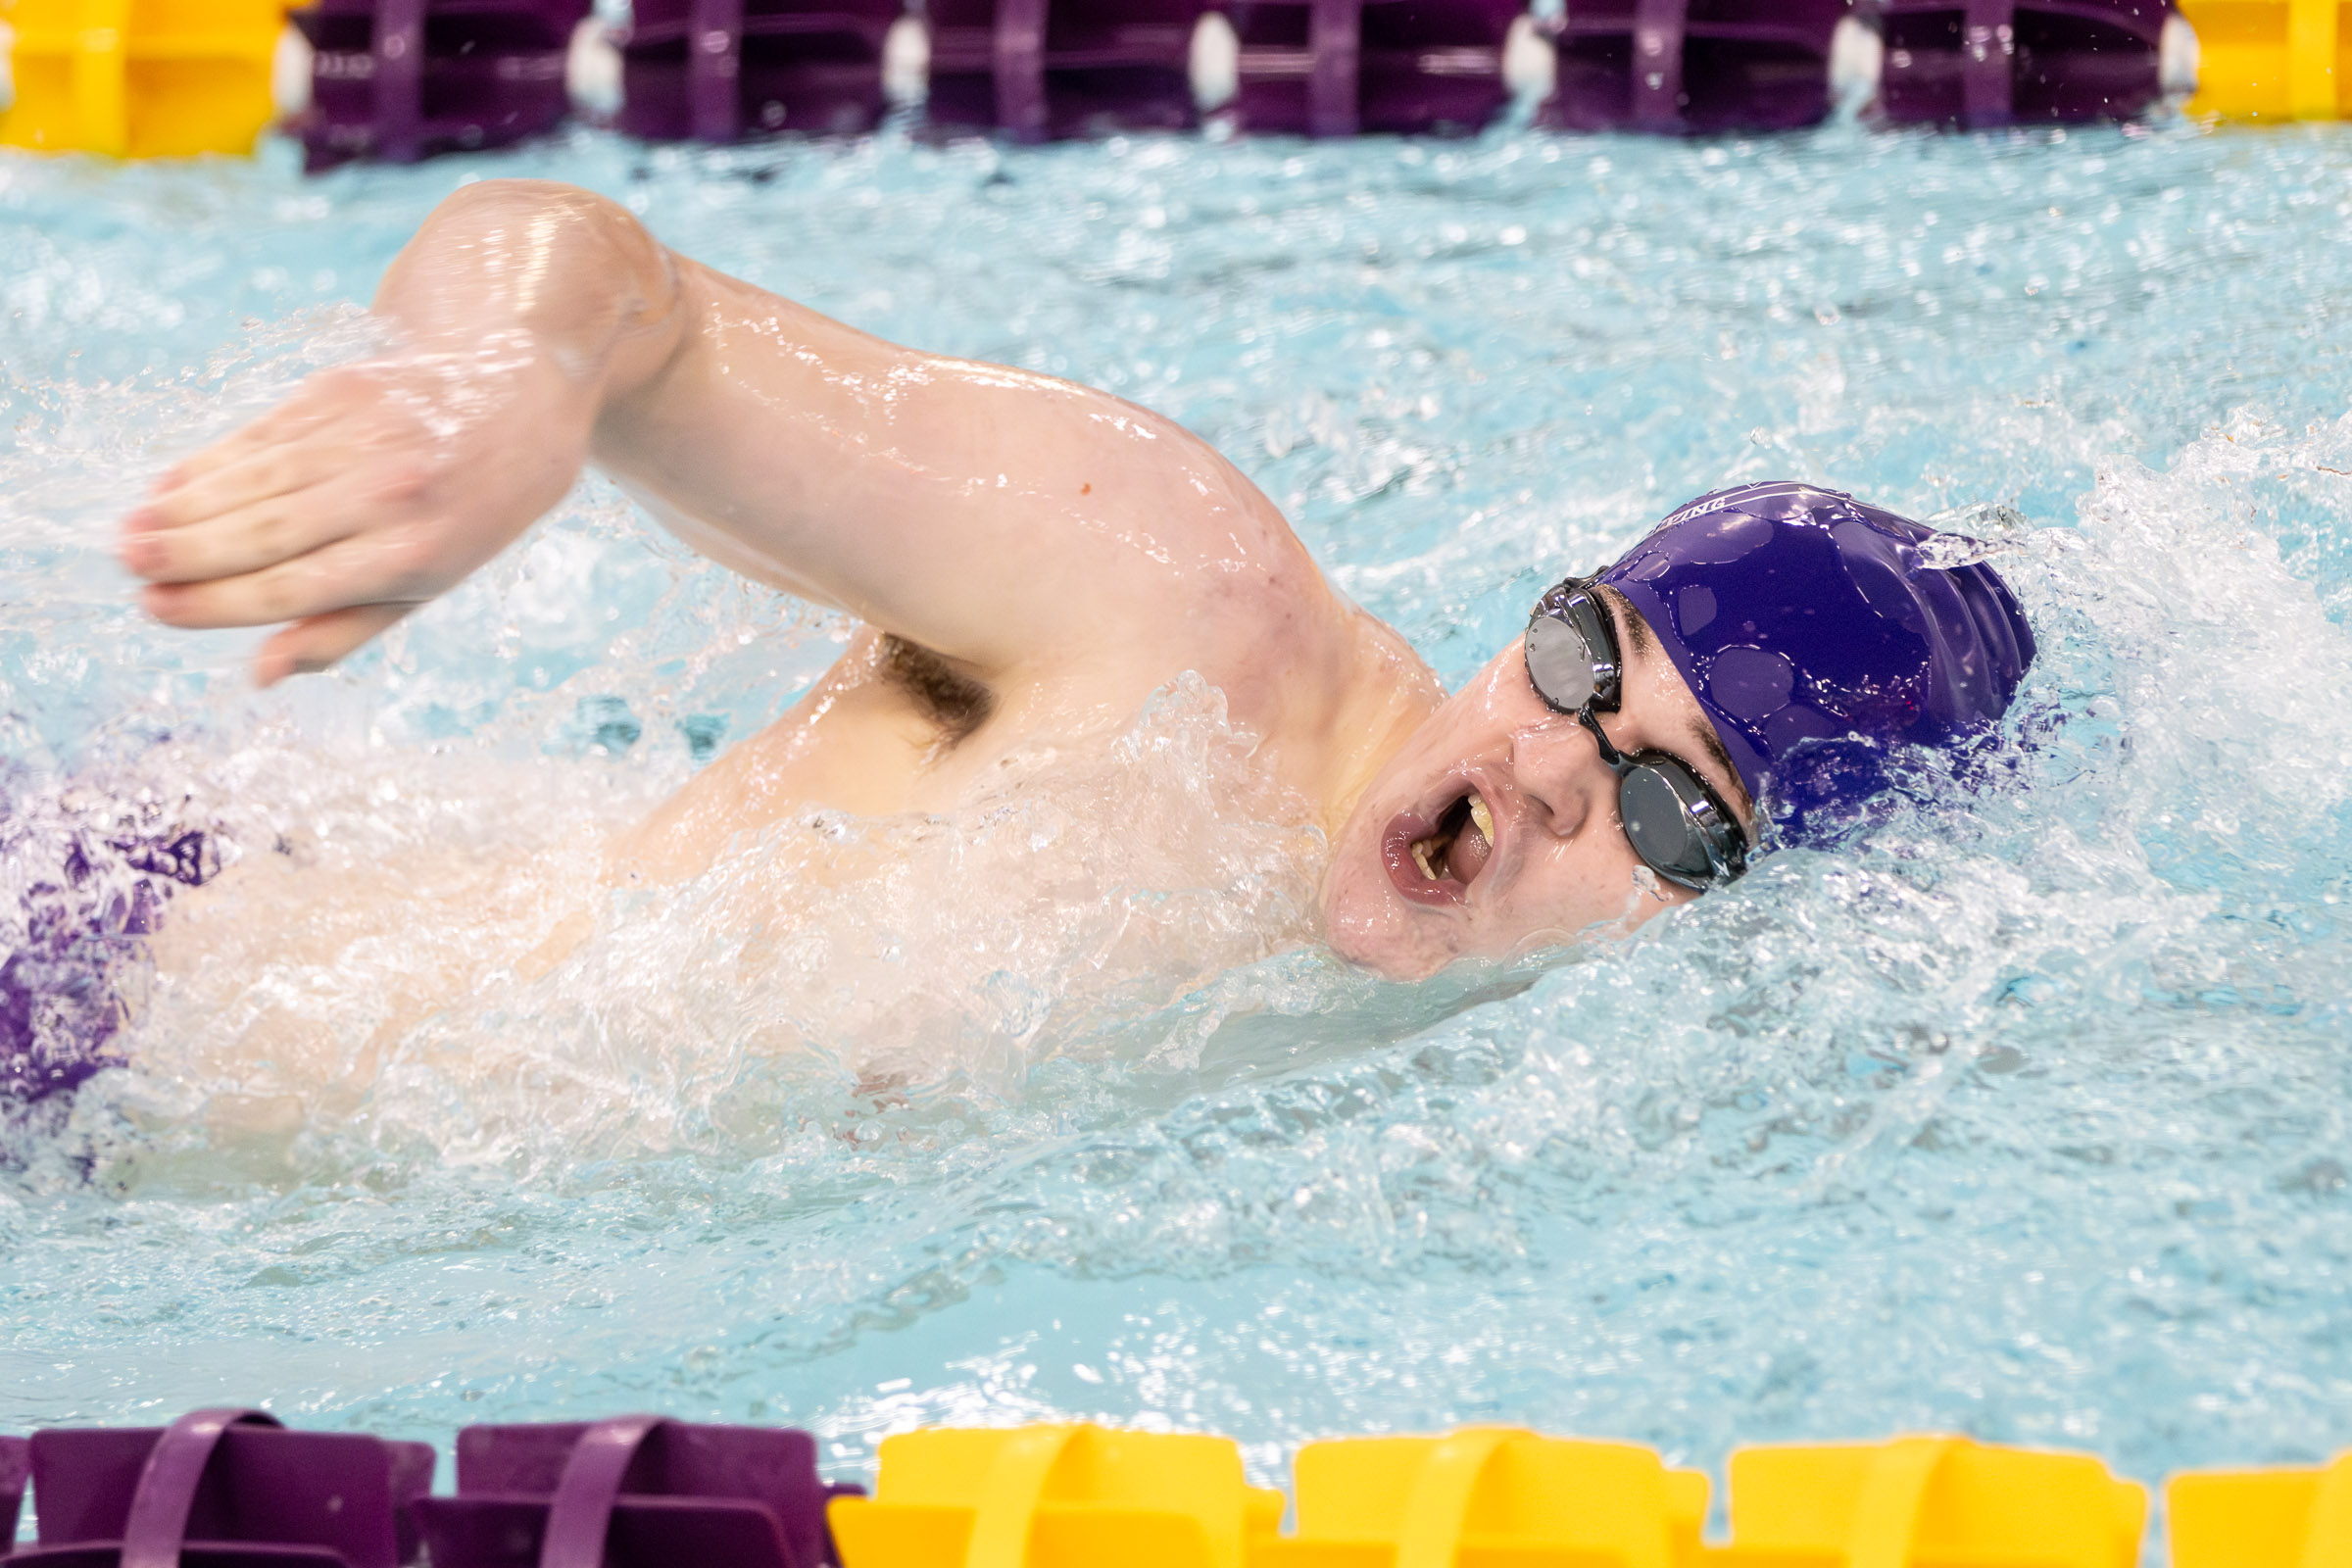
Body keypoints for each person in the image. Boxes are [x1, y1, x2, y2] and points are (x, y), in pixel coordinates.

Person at [111, 178, 2033, 994]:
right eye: (1574, 655)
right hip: (116, 980)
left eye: (1671, 802)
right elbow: (600, 271)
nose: (1542, 761)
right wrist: (506, 380)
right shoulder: (1186, 612)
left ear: (1740, 922)